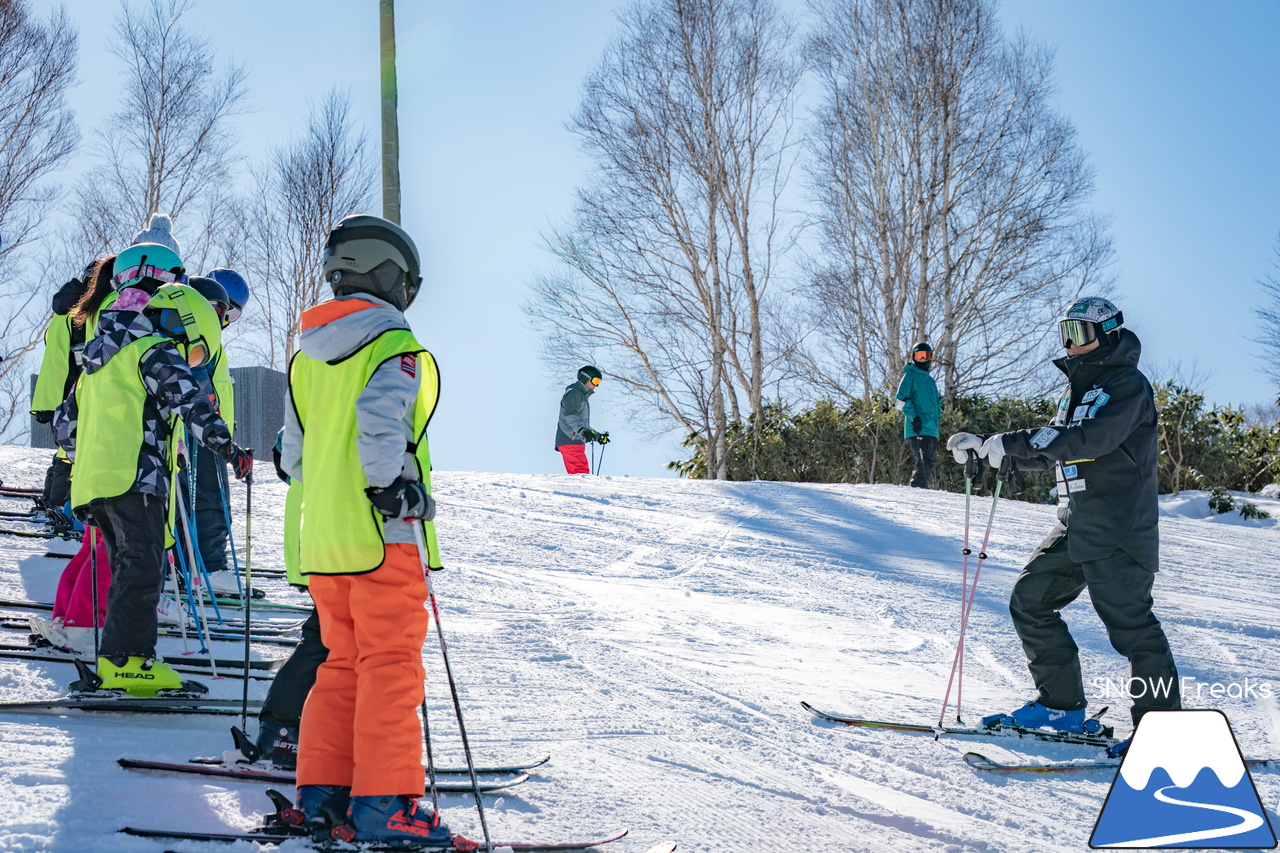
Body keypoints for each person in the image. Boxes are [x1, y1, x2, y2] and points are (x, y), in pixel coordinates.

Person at [281, 214, 451, 843]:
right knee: (391, 666)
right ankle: (388, 803)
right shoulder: (392, 347)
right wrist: (390, 486)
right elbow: (381, 420)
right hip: (381, 537)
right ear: (388, 274)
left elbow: (292, 456)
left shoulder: (307, 359)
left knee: (342, 665)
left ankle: (323, 793)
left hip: (325, 542)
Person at [947, 297, 1178, 755]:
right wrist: (991, 449)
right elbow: (1055, 444)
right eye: (1065, 334)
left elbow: (1091, 439)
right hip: (1076, 523)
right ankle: (1061, 705)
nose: (1071, 345)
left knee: (1132, 630)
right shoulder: (1077, 391)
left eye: (1082, 334)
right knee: (1030, 600)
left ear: (1108, 335)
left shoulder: (1127, 386)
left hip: (1118, 528)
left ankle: (1163, 734)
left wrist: (1010, 442)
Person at [53, 244, 252, 695]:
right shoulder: (154, 349)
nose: (191, 356)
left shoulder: (98, 356)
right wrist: (228, 447)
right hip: (134, 476)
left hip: (95, 483)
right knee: (143, 566)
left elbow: (68, 425)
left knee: (129, 565)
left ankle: (116, 659)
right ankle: (128, 662)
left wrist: (86, 460)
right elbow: (190, 400)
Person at [30, 263, 96, 517]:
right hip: (76, 391)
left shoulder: (64, 313)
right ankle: (61, 505)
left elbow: (53, 354)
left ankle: (53, 500)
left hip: (57, 393)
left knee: (64, 450)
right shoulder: (85, 312)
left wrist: (47, 401)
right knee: (74, 452)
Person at [895, 342, 940, 488]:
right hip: (917, 427)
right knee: (925, 460)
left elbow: (938, 402)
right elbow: (899, 401)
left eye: (925, 356)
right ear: (913, 358)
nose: (922, 359)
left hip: (931, 428)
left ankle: (921, 488)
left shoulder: (930, 381)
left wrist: (936, 416)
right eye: (918, 356)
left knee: (930, 461)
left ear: (930, 358)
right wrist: (914, 417)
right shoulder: (910, 376)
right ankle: (917, 487)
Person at [555, 365, 608, 474]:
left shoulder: (581, 395)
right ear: (585, 378)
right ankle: (582, 491)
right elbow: (571, 416)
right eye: (595, 381)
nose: (596, 385)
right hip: (570, 439)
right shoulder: (574, 392)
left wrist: (597, 436)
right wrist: (583, 431)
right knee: (580, 473)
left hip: (575, 439)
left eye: (599, 382)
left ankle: (581, 490)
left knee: (581, 472)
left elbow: (581, 423)